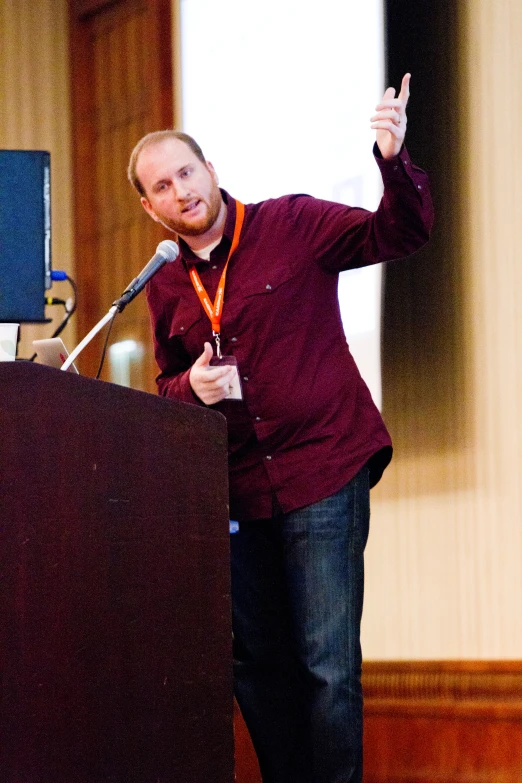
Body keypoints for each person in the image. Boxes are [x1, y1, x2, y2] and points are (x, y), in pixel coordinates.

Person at [127, 73, 433, 783]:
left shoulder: (292, 223)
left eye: (186, 172)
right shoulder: (166, 281)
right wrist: (189, 387)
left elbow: (401, 231)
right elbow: (167, 383)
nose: (181, 192)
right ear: (150, 208)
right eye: (163, 187)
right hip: (234, 494)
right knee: (257, 666)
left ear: (211, 169)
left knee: (325, 664)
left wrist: (393, 160)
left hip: (323, 468)